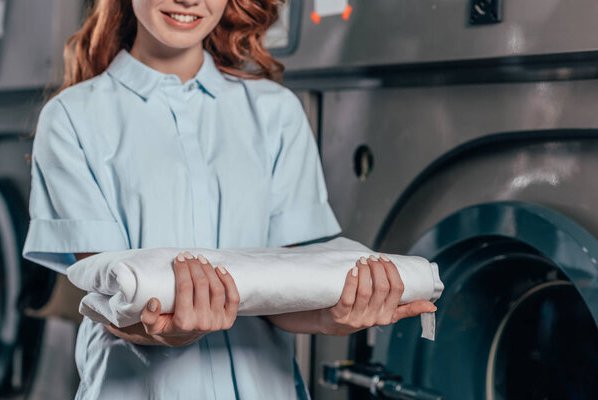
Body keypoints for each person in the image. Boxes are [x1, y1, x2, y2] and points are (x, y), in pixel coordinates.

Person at [22, 0, 436, 398]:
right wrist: (167, 328)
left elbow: (284, 292)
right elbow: (111, 299)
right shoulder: (72, 119)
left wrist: (336, 315)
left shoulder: (277, 114)